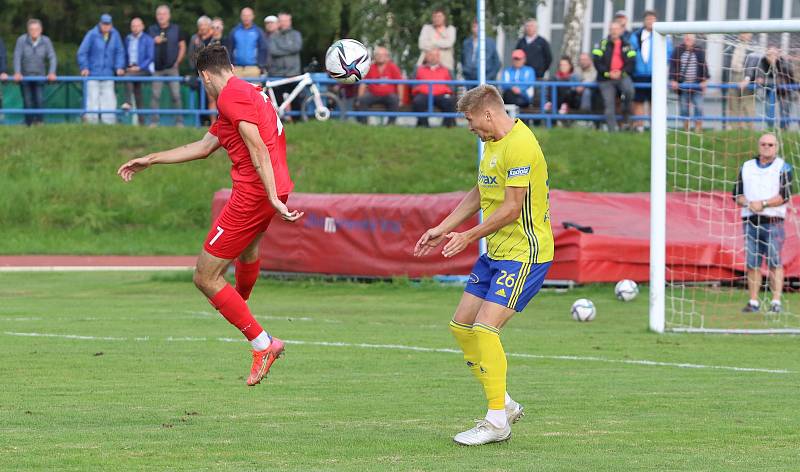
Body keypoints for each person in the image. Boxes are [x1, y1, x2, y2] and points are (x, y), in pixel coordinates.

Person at [117, 44, 302, 386]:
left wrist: (272, 197)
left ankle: (263, 344)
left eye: (201, 81)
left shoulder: (230, 97)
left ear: (205, 74)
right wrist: (151, 159)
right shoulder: (251, 93)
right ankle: (239, 304)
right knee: (247, 252)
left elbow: (258, 146)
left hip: (255, 194)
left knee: (204, 277)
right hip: (274, 187)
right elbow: (202, 147)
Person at [414, 84, 553, 446]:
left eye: (471, 119)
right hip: (495, 253)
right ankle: (504, 403)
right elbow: (480, 191)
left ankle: (496, 422)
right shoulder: (492, 145)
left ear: (488, 114)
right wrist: (443, 228)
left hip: (526, 254)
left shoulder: (521, 145)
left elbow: (510, 208)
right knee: (461, 326)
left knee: (486, 329)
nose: (470, 126)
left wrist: (468, 235)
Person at [733, 133, 793, 314]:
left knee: (775, 262)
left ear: (776, 147)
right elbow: (737, 193)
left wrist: (764, 203)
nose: (767, 147)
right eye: (763, 144)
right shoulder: (747, 166)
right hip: (750, 220)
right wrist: (749, 203)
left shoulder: (784, 167)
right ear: (758, 145)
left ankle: (776, 302)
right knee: (752, 263)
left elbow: (785, 196)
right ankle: (753, 301)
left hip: (773, 221)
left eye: (770, 145)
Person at [77, 14, 125, 125]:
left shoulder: (115, 35)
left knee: (109, 100)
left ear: (111, 25)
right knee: (92, 100)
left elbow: (120, 52)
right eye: (104, 24)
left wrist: (119, 67)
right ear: (100, 23)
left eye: (108, 24)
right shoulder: (91, 34)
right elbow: (82, 52)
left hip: (108, 74)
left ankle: (109, 125)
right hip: (93, 73)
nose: (106, 26)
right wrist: (84, 67)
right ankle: (91, 124)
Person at [629, 10, 671, 132]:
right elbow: (631, 53)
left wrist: (660, 67)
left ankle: (656, 128)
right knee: (638, 102)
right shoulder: (635, 36)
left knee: (655, 102)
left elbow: (668, 53)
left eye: (652, 19)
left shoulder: (663, 35)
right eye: (648, 19)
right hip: (639, 74)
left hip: (656, 75)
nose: (650, 22)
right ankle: (639, 127)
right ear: (644, 21)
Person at [13, 18, 57, 126]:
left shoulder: (46, 41)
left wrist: (52, 72)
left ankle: (39, 122)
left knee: (40, 100)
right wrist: (17, 72)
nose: (34, 31)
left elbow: (52, 57)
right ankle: (28, 124)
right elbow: (17, 57)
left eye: (36, 29)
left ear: (41, 30)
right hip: (25, 76)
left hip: (40, 76)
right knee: (27, 101)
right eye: (31, 29)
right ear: (28, 30)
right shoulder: (21, 40)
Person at [593, 21, 636, 132]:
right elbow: (597, 62)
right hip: (605, 79)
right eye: (612, 29)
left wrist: (620, 73)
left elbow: (632, 62)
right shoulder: (601, 44)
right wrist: (608, 73)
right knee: (609, 104)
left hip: (622, 76)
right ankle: (612, 131)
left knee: (629, 91)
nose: (614, 31)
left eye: (616, 29)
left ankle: (625, 113)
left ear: (621, 30)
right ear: (609, 30)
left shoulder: (627, 45)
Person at [147, 4, 186, 127]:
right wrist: (153, 41)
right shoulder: (151, 30)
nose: (161, 16)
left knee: (176, 95)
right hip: (157, 69)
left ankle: (179, 122)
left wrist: (177, 62)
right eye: (159, 14)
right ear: (156, 16)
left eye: (164, 14)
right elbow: (145, 46)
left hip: (172, 68)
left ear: (169, 16)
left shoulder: (176, 28)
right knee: (155, 96)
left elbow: (182, 46)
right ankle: (154, 122)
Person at [670, 34, 709, 133]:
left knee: (699, 106)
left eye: (690, 37)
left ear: (694, 39)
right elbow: (673, 66)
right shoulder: (678, 50)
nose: (688, 39)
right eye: (687, 37)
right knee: (684, 108)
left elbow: (704, 65)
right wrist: (673, 80)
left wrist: (704, 80)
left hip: (697, 84)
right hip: (683, 84)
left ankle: (698, 129)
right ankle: (686, 129)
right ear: (684, 38)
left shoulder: (699, 50)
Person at [356, 46, 404, 125]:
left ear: (387, 57)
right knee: (363, 100)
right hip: (373, 94)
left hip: (388, 95)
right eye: (378, 55)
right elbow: (363, 84)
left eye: (383, 55)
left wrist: (401, 99)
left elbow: (400, 83)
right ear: (375, 56)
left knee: (395, 99)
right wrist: (359, 98)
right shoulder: (369, 67)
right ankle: (363, 124)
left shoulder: (393, 67)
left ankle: (391, 124)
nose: (380, 57)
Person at [722, 33, 759, 130]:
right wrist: (725, 80)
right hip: (733, 75)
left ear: (750, 35)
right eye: (742, 32)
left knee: (747, 104)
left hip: (746, 76)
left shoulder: (754, 47)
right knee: (733, 104)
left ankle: (750, 128)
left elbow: (753, 64)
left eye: (746, 33)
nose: (743, 35)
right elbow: (726, 63)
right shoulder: (732, 45)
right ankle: (733, 128)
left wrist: (748, 78)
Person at [754, 47, 796, 130]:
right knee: (768, 108)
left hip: (784, 90)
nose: (772, 57)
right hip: (769, 90)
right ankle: (771, 128)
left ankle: (784, 129)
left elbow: (784, 79)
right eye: (769, 55)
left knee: (785, 109)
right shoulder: (762, 61)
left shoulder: (783, 62)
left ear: (778, 55)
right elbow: (760, 77)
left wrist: (768, 80)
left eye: (774, 54)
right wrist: (765, 80)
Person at [412, 48, 455, 128]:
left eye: (436, 55)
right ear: (426, 57)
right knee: (418, 101)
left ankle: (447, 126)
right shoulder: (419, 69)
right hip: (424, 94)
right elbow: (414, 85)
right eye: (430, 55)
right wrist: (419, 90)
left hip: (441, 94)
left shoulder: (446, 70)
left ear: (439, 57)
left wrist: (447, 91)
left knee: (450, 100)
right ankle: (424, 126)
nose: (433, 57)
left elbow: (451, 85)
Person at [269, 12, 303, 112]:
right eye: (281, 21)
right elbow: (273, 51)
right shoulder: (273, 36)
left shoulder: (296, 34)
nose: (283, 23)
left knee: (296, 100)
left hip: (294, 73)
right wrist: (289, 49)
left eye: (285, 21)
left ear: (290, 21)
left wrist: (281, 48)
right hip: (277, 74)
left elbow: (296, 48)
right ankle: (279, 122)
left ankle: (298, 121)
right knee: (278, 101)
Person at [122, 17, 154, 122]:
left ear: (142, 26)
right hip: (131, 69)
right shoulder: (128, 39)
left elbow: (150, 57)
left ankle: (128, 103)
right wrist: (125, 67)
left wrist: (139, 67)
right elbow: (125, 55)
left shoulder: (148, 39)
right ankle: (142, 121)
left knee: (127, 77)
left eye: (137, 26)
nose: (135, 28)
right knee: (137, 93)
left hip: (143, 69)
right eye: (133, 26)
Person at [229, 8, 269, 78]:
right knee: (237, 89)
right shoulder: (235, 31)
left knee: (253, 89)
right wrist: (230, 65)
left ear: (253, 16)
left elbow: (263, 49)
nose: (246, 18)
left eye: (248, 15)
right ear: (241, 17)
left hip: (253, 69)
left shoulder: (258, 31)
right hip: (237, 69)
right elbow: (229, 49)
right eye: (244, 15)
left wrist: (261, 66)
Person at [462, 19, 501, 84]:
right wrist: (466, 74)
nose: (476, 29)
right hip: (470, 79)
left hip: (487, 78)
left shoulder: (490, 42)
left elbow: (497, 63)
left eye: (479, 27)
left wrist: (489, 77)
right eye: (474, 26)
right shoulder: (466, 43)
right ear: (472, 28)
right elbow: (463, 60)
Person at [418, 9, 457, 74]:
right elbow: (421, 44)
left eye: (439, 16)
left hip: (446, 66)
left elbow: (449, 43)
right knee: (416, 79)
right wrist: (441, 43)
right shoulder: (426, 28)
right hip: (426, 65)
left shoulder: (450, 29)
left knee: (450, 83)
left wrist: (432, 41)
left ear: (444, 17)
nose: (437, 19)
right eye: (434, 16)